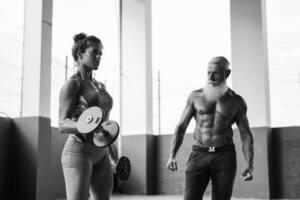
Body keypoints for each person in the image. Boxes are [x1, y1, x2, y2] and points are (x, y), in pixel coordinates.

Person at [166, 56, 254, 200]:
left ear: (227, 73)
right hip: (198, 154)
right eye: (208, 73)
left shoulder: (236, 101)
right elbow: (181, 127)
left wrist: (250, 165)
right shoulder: (195, 97)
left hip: (224, 157)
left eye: (216, 73)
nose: (211, 77)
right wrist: (172, 155)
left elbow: (246, 135)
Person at [59, 32, 118, 200]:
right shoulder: (73, 84)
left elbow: (105, 124)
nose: (99, 56)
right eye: (95, 52)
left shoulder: (101, 86)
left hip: (102, 153)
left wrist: (114, 158)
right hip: (79, 150)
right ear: (80, 54)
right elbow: (62, 123)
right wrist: (85, 126)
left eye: (101, 53)